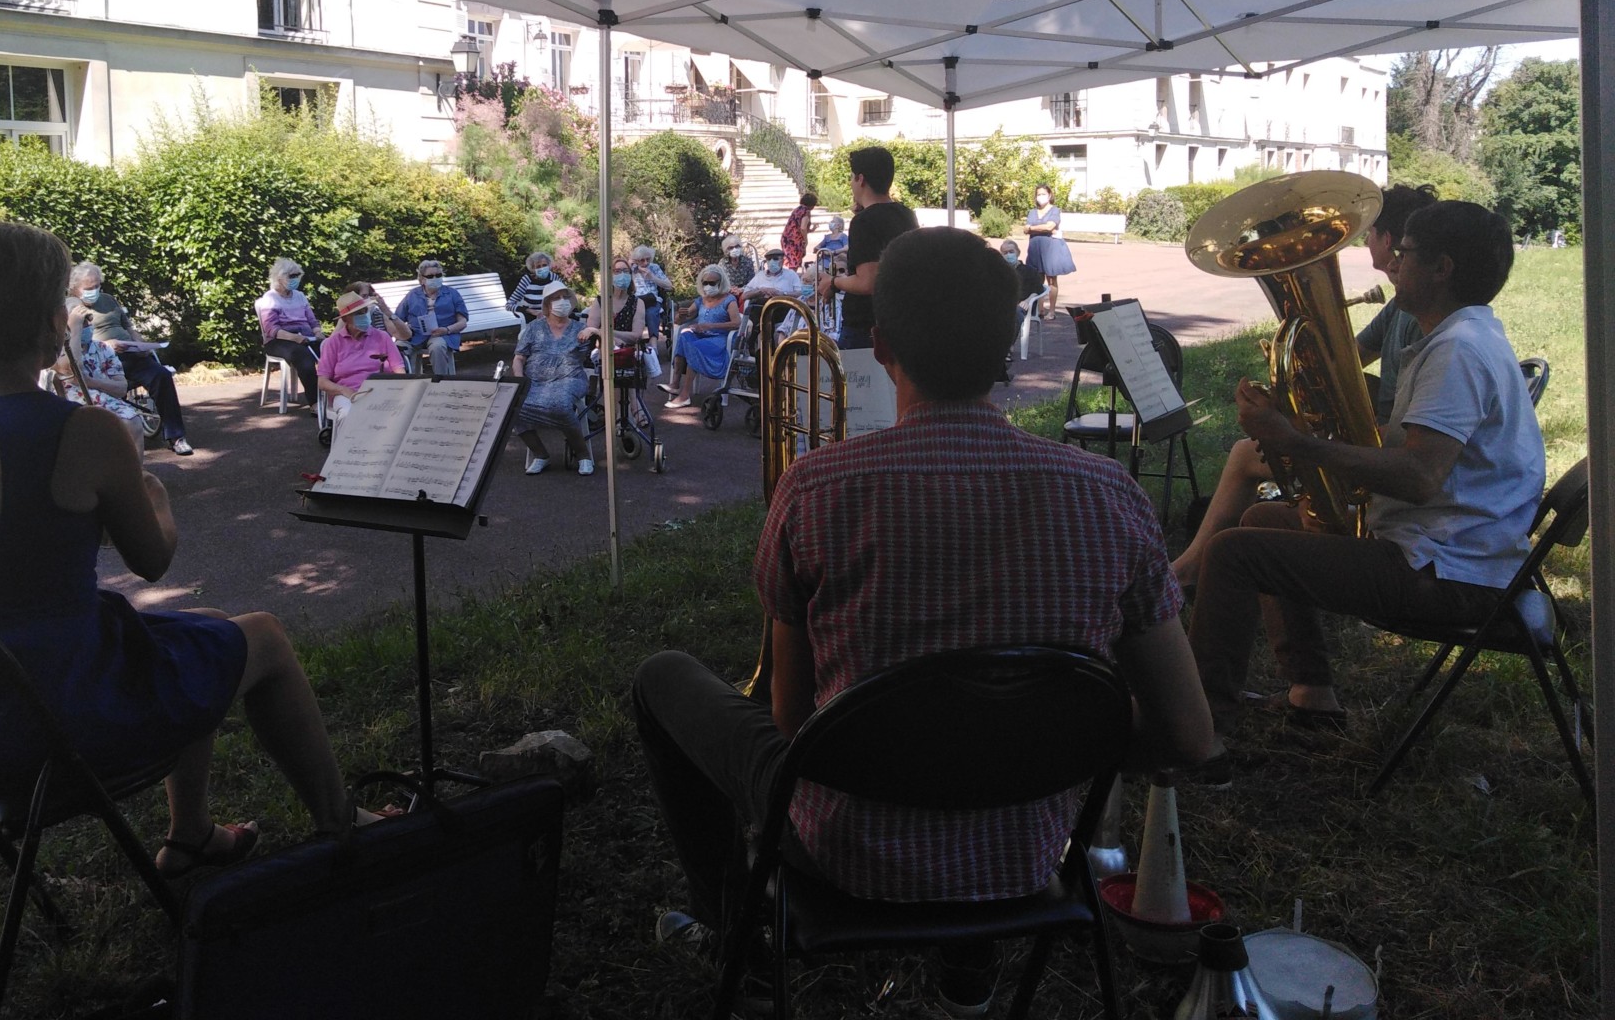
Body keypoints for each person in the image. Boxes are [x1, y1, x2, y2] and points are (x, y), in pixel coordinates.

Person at [633, 228, 1213, 1011]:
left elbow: (792, 718)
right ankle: (967, 975)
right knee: (975, 734)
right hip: (1024, 854)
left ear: (883, 348)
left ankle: (733, 926)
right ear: (1008, 342)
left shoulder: (815, 488)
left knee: (662, 678)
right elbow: (1185, 734)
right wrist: (1048, 743)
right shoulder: (1110, 495)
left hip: (837, 851)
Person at [0, 222, 367, 880]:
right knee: (263, 638)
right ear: (52, 318)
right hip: (55, 718)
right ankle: (341, 824)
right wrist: (153, 497)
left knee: (190, 638)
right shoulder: (85, 430)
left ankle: (192, 835)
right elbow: (152, 559)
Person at [1185, 200, 1544, 741]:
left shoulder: (1459, 351)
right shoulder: (1462, 337)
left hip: (1447, 572)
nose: (1393, 264)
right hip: (1455, 554)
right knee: (1261, 518)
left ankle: (1200, 729)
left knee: (1233, 552)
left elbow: (1420, 478)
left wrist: (1297, 441)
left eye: (1404, 253)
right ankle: (1312, 693)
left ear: (1442, 268)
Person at [1173, 182, 1437, 589]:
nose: (1367, 241)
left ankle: (1187, 570)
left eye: (1371, 234)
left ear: (1388, 240)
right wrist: (1289, 389)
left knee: (1246, 454)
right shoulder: (1402, 305)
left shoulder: (1426, 319)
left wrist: (1295, 432)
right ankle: (1199, 567)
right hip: (1385, 440)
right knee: (1262, 491)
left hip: (1387, 451)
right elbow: (1344, 359)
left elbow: (1414, 443)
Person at [70, 261, 193, 456]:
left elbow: (129, 328)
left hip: (131, 353)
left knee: (161, 375)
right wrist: (107, 345)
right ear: (75, 288)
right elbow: (75, 340)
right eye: (89, 288)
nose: (94, 291)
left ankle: (176, 437)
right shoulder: (72, 307)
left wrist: (141, 344)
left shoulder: (109, 300)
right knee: (109, 388)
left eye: (97, 286)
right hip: (102, 359)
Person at [816, 145, 917, 351]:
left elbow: (868, 282)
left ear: (860, 179)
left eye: (852, 177)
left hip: (864, 327)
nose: (851, 183)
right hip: (899, 319)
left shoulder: (864, 222)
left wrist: (833, 282)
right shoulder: (906, 214)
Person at [511, 279, 601, 476]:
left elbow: (611, 345)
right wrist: (519, 380)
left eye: (565, 297)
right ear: (547, 304)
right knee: (513, 406)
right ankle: (541, 454)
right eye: (556, 298)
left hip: (571, 378)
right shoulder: (534, 328)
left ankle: (583, 455)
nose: (562, 302)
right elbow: (519, 358)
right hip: (535, 381)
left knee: (559, 404)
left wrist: (595, 331)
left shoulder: (580, 329)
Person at [53, 298, 147, 451]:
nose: (88, 325)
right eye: (82, 322)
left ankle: (134, 473)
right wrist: (74, 330)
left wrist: (91, 382)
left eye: (88, 320)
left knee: (133, 421)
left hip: (101, 400)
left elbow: (121, 388)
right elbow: (72, 368)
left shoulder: (103, 349)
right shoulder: (56, 349)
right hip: (69, 402)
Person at [317, 288, 407, 444]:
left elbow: (400, 371)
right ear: (345, 320)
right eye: (358, 313)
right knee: (347, 413)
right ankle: (344, 458)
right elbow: (322, 382)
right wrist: (344, 390)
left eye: (365, 311)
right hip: (347, 393)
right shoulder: (333, 342)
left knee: (397, 413)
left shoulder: (382, 337)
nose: (364, 316)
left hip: (381, 391)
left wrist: (398, 392)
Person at [664, 265, 741, 410]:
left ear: (721, 283)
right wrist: (681, 314)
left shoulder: (729, 300)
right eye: (705, 283)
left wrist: (710, 326)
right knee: (684, 335)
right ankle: (675, 383)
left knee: (695, 346)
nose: (708, 286)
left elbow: (737, 323)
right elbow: (678, 321)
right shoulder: (701, 299)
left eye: (712, 283)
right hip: (701, 337)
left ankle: (684, 394)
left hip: (719, 340)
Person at [257, 257, 322, 402]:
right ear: (279, 278)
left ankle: (335, 396)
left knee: (332, 348)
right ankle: (315, 403)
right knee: (303, 357)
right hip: (280, 340)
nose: (296, 279)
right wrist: (295, 338)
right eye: (291, 276)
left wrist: (318, 332)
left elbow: (312, 320)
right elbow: (272, 330)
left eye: (297, 276)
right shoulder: (270, 298)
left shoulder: (300, 296)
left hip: (306, 336)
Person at [394, 258, 469, 376]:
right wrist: (402, 333)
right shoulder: (412, 295)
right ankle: (406, 384)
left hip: (442, 334)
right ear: (422, 279)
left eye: (438, 275)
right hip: (415, 335)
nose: (435, 278)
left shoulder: (452, 294)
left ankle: (441, 382)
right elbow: (398, 317)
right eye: (430, 276)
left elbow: (463, 322)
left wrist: (447, 329)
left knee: (437, 347)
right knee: (397, 348)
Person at [1023, 184, 1075, 318]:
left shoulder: (1054, 210)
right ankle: (1040, 309)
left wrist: (1032, 228)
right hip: (1035, 248)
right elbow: (1025, 229)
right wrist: (1040, 228)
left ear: (1049, 195)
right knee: (1037, 279)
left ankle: (1051, 311)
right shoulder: (1032, 212)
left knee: (1051, 279)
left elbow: (1049, 226)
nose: (1040, 197)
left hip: (1050, 249)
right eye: (1038, 194)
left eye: (1043, 194)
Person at [507, 251, 557, 324]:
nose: (542, 268)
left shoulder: (554, 278)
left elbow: (565, 297)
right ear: (533, 269)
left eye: (544, 265)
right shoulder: (526, 280)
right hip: (532, 318)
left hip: (553, 317)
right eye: (538, 266)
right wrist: (530, 311)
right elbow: (509, 305)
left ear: (549, 265)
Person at [780, 191, 819, 270]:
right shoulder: (806, 212)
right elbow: (803, 228)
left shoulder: (797, 210)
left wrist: (812, 229)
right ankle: (791, 281)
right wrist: (806, 240)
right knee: (794, 265)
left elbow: (797, 227)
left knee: (789, 262)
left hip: (786, 238)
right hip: (794, 241)